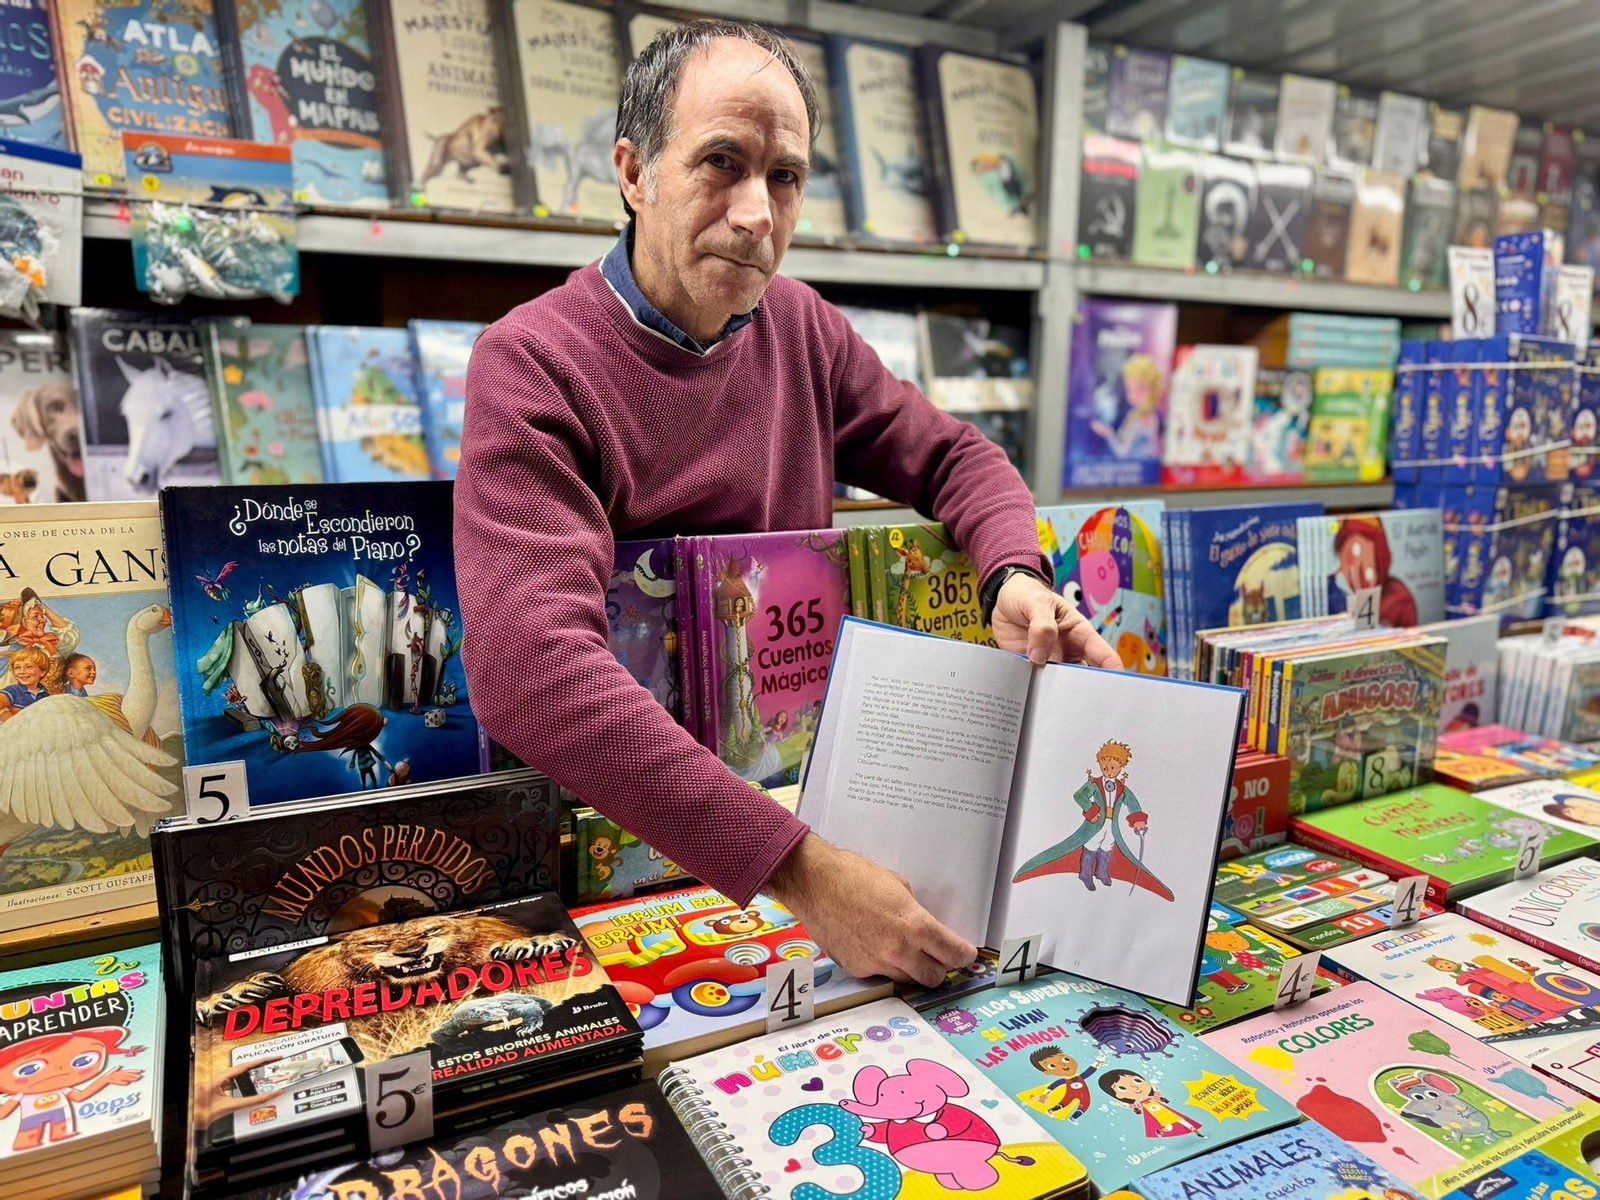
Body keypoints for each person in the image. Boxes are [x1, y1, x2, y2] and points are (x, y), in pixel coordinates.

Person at [454, 21, 1118, 989]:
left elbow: (960, 459)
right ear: (633, 172)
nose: (756, 214)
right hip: (630, 888)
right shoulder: (532, 365)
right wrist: (803, 872)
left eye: (786, 179)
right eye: (721, 163)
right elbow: (527, 668)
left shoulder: (802, 332)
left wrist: (1013, 576)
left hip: (807, 856)